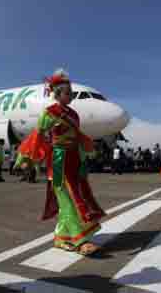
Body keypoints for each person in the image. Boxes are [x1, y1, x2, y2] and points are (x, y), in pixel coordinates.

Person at [19, 69, 105, 256]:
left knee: (77, 197)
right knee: (67, 200)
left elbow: (77, 138)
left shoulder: (74, 114)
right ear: (57, 94)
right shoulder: (49, 113)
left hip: (74, 159)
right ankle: (80, 241)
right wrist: (27, 158)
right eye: (68, 92)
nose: (71, 95)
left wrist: (84, 160)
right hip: (58, 161)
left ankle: (61, 238)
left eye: (71, 92)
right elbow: (37, 136)